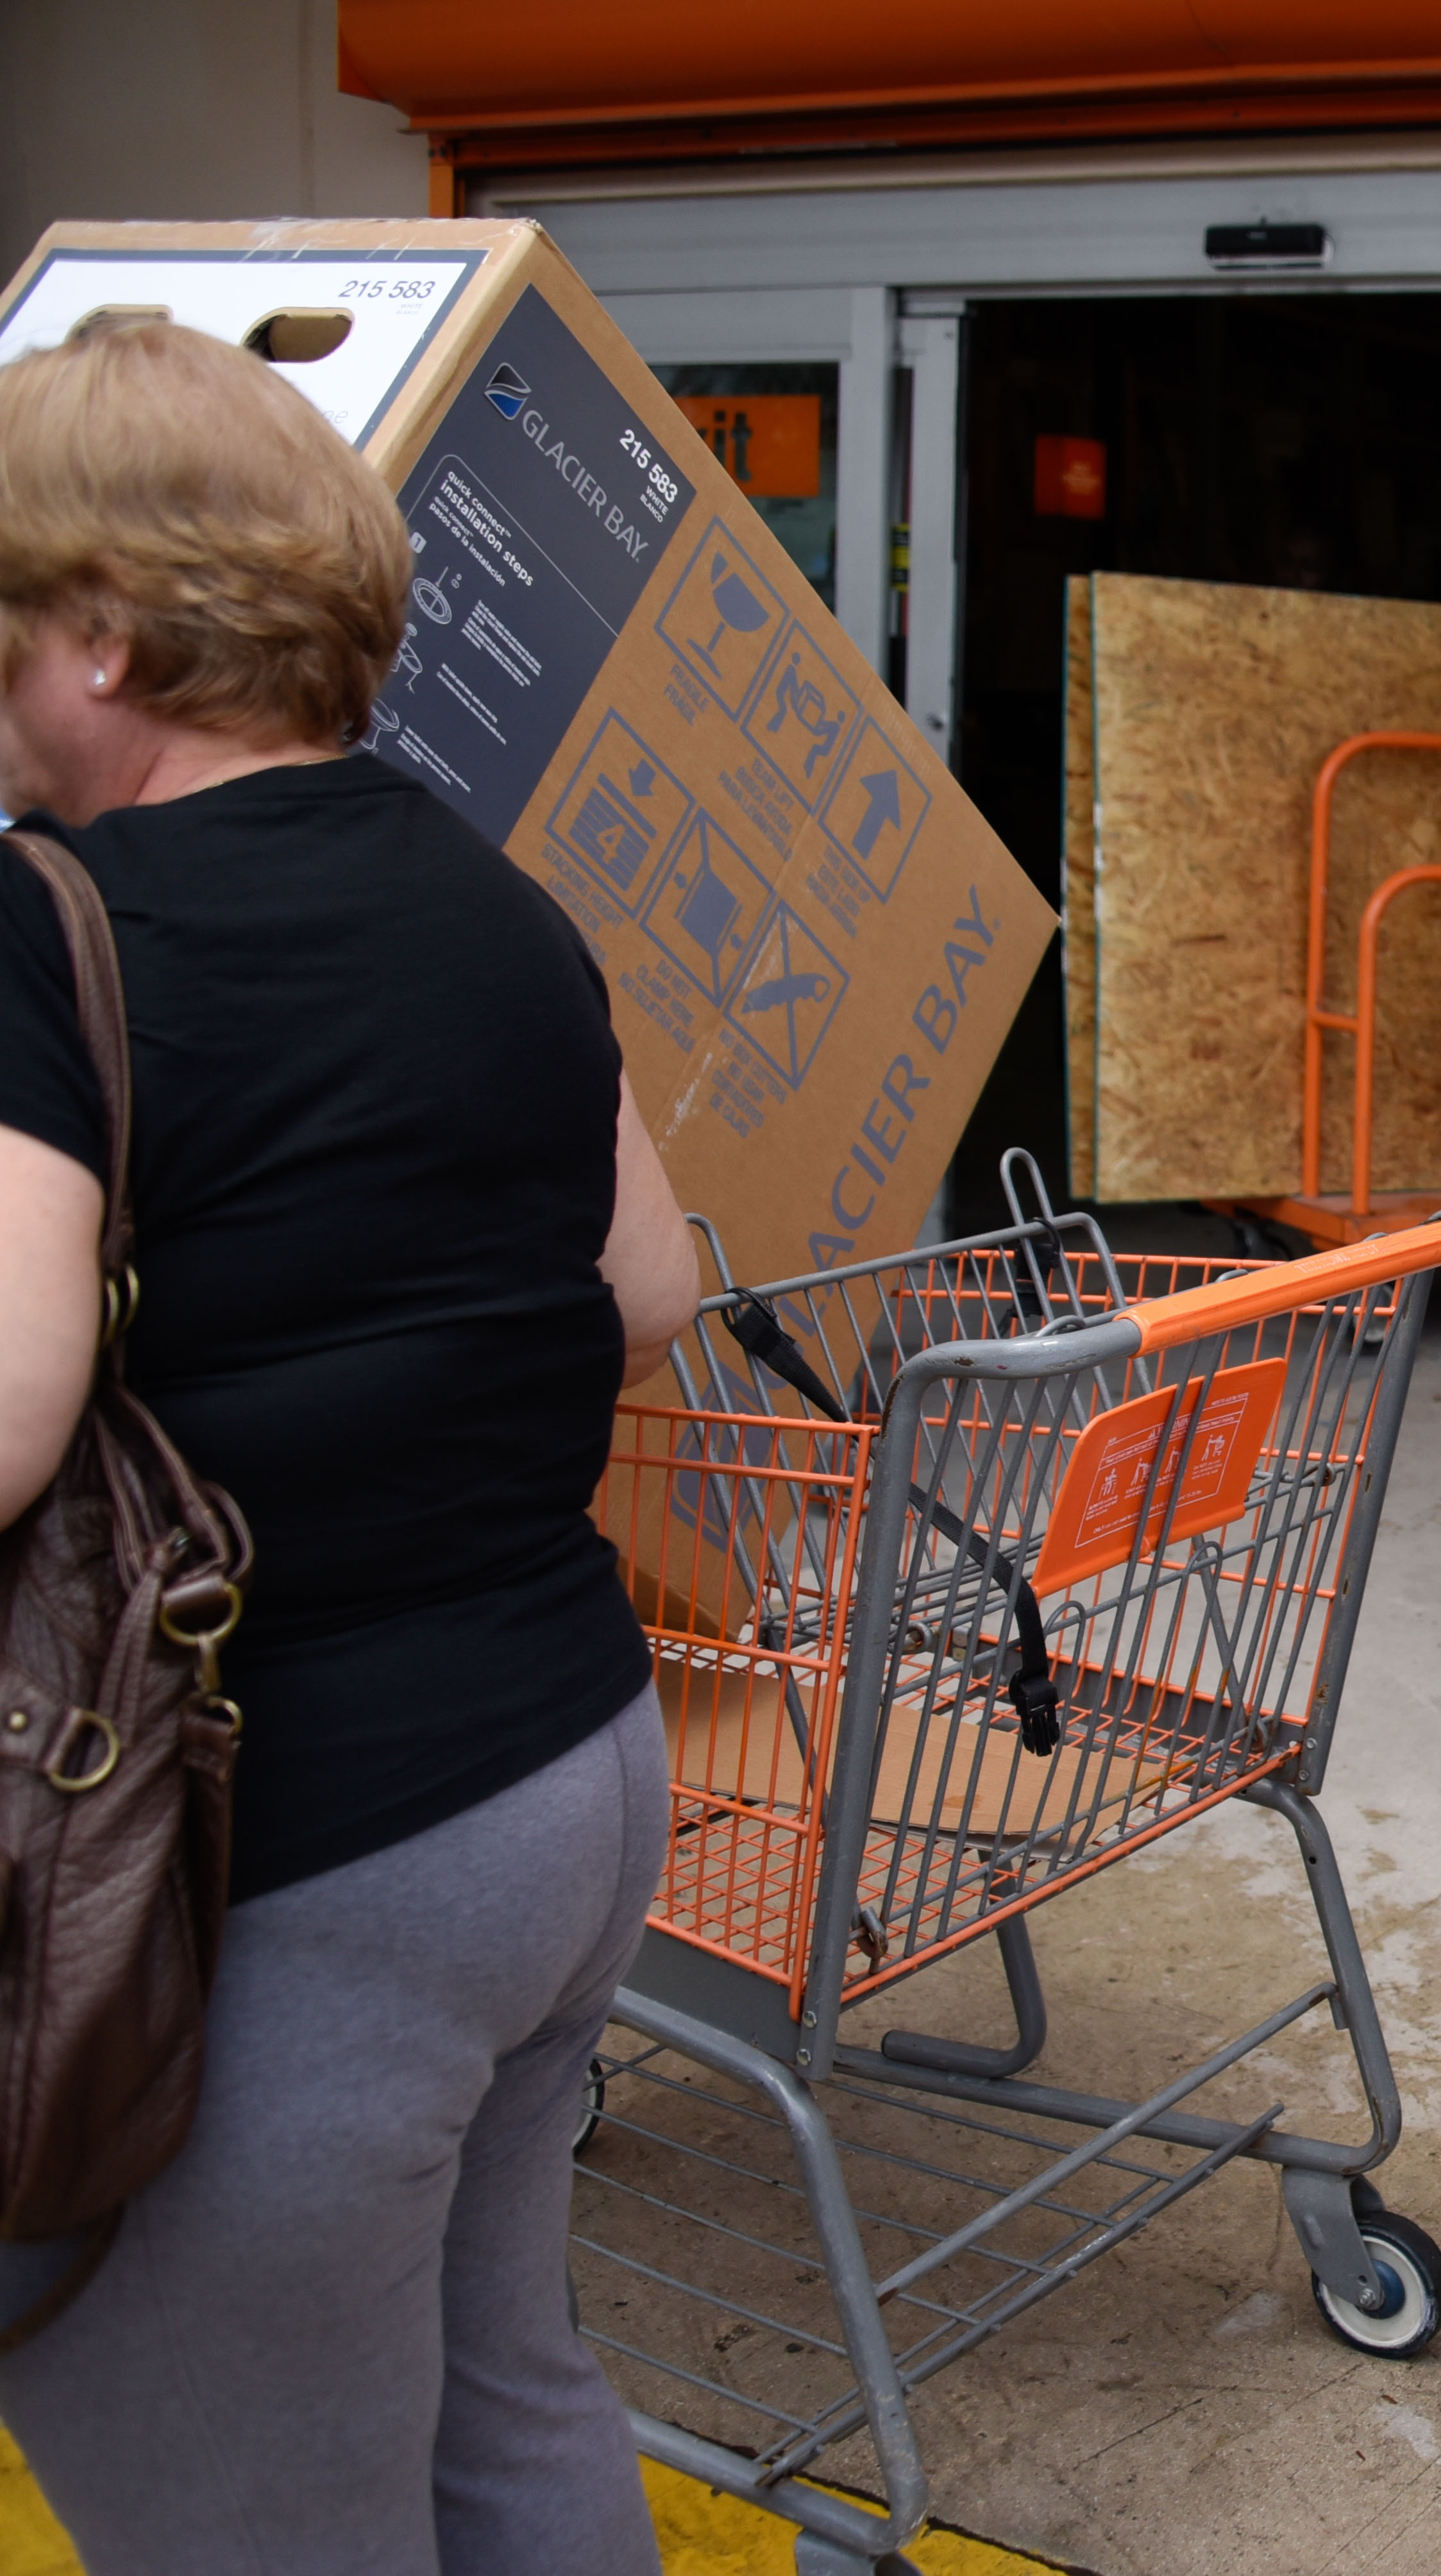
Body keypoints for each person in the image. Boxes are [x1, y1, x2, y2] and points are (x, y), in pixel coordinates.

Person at [0, 318, 693, 2573]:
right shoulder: (499, 904)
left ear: (101, 634)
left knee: (251, 2508)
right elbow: (654, 1293)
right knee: (503, 2401)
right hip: (562, 1787)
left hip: (274, 1859)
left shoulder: (47, 927)